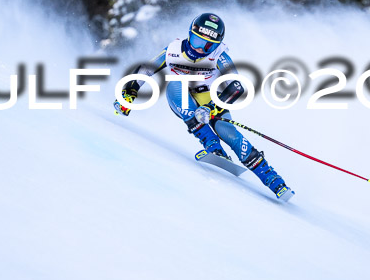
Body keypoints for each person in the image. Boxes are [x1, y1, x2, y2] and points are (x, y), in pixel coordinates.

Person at [114, 13, 293, 200]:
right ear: (189, 34)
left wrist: (211, 107)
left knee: (230, 134)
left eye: (208, 45)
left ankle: (274, 180)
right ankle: (212, 145)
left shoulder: (220, 56)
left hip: (211, 100)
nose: (201, 49)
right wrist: (128, 94)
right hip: (181, 96)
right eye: (197, 41)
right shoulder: (173, 50)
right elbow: (146, 70)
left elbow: (237, 86)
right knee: (177, 85)